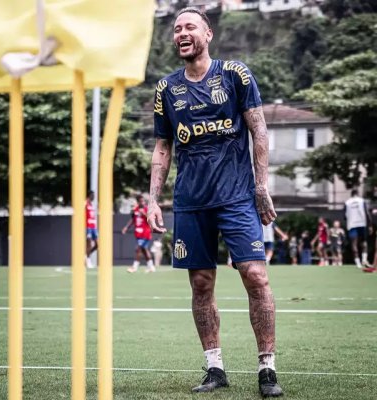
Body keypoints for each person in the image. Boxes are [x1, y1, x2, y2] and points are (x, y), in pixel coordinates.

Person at [147, 7, 283, 397]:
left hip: (237, 196)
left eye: (190, 27)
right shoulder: (166, 89)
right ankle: (214, 367)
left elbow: (258, 130)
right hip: (190, 201)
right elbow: (162, 148)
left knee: (256, 276)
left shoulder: (235, 74)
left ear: (208, 33)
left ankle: (267, 369)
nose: (181, 33)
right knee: (201, 284)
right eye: (176, 29)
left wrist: (261, 186)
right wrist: (154, 199)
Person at [122, 194, 155, 273]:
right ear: (138, 202)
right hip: (138, 234)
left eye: (143, 201)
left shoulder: (147, 209)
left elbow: (150, 219)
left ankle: (134, 267)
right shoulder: (136, 209)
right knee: (144, 250)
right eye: (141, 201)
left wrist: (143, 213)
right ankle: (151, 267)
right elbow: (133, 220)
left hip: (145, 233)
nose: (143, 203)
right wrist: (126, 227)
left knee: (138, 248)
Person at [344, 189, 372, 268]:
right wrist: (370, 225)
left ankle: (358, 262)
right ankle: (364, 259)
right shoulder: (361, 201)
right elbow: (367, 213)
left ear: (351, 195)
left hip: (352, 225)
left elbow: (345, 216)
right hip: (361, 223)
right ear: (357, 193)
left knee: (354, 244)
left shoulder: (347, 202)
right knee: (364, 242)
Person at [85, 190, 98, 269]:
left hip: (93, 227)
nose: (94, 197)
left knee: (97, 245)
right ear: (89, 195)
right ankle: (88, 261)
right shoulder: (85, 203)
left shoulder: (92, 204)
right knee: (89, 243)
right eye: (93, 195)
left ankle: (86, 255)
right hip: (88, 226)